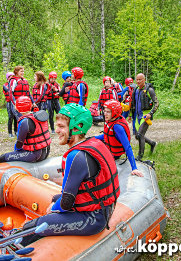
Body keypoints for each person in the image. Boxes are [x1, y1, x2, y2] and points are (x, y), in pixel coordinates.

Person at [20, 103, 120, 245]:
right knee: (55, 197)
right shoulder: (93, 144)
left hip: (93, 219)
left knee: (38, 224)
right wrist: (56, 202)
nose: (57, 131)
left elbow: (66, 203)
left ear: (76, 127)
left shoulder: (76, 156)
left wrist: (53, 209)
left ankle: (14, 245)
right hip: (103, 208)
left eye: (61, 127)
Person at [95, 100, 143, 177]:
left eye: (108, 112)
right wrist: (92, 138)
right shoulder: (110, 120)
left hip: (114, 154)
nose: (105, 113)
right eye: (105, 111)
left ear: (114, 113)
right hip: (109, 149)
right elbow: (107, 135)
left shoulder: (117, 127)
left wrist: (134, 168)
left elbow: (127, 147)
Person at [0, 96, 51, 163]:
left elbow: (19, 144)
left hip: (35, 155)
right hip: (46, 151)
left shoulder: (24, 122)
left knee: (3, 157)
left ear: (18, 108)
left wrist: (16, 153)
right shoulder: (38, 116)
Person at [129, 73, 159, 161]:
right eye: (137, 80)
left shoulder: (149, 90)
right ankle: (152, 143)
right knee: (137, 136)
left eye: (140, 79)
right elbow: (132, 104)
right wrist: (130, 115)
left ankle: (140, 156)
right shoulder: (136, 90)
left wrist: (151, 113)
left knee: (140, 134)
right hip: (137, 116)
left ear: (144, 80)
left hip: (146, 116)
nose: (138, 81)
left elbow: (156, 103)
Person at [3, 72, 17, 137]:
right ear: (7, 78)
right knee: (10, 117)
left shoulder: (15, 83)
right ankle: (10, 132)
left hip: (15, 102)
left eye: (12, 76)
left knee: (16, 117)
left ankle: (16, 131)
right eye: (10, 76)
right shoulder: (5, 85)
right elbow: (9, 90)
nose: (11, 78)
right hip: (9, 102)